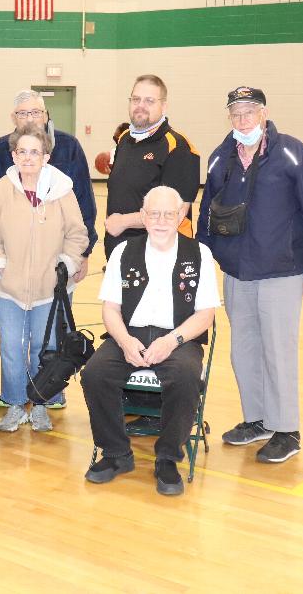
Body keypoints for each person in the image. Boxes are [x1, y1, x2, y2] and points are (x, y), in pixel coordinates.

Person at [197, 86, 303, 464]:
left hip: (281, 271)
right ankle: (257, 420)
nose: (242, 120)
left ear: (264, 114)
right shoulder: (220, 158)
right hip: (237, 273)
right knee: (245, 350)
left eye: (249, 113)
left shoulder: (292, 153)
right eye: (235, 114)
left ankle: (287, 429)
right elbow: (207, 211)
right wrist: (206, 258)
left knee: (278, 350)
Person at [81, 186, 218, 496]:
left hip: (179, 336)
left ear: (181, 215)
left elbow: (205, 315)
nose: (160, 220)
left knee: (185, 376)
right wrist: (126, 341)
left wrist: (171, 341)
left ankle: (168, 458)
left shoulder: (199, 254)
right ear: (142, 216)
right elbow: (110, 309)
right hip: (129, 332)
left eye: (168, 214)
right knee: (95, 373)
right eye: (153, 213)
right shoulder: (123, 252)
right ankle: (116, 454)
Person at [0, 89, 97, 409]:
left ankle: (46, 396)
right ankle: (15, 398)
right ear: (15, 153)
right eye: (23, 114)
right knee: (12, 347)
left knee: (47, 345)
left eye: (36, 113)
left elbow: (81, 221)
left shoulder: (65, 171)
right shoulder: (3, 180)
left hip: (52, 281)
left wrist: (75, 259)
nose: (30, 119)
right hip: (11, 282)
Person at [104, 74, 201, 258]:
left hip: (161, 255)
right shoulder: (125, 138)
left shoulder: (177, 146)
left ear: (163, 106)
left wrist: (123, 222)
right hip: (121, 251)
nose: (140, 105)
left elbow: (177, 212)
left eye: (149, 100)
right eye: (136, 99)